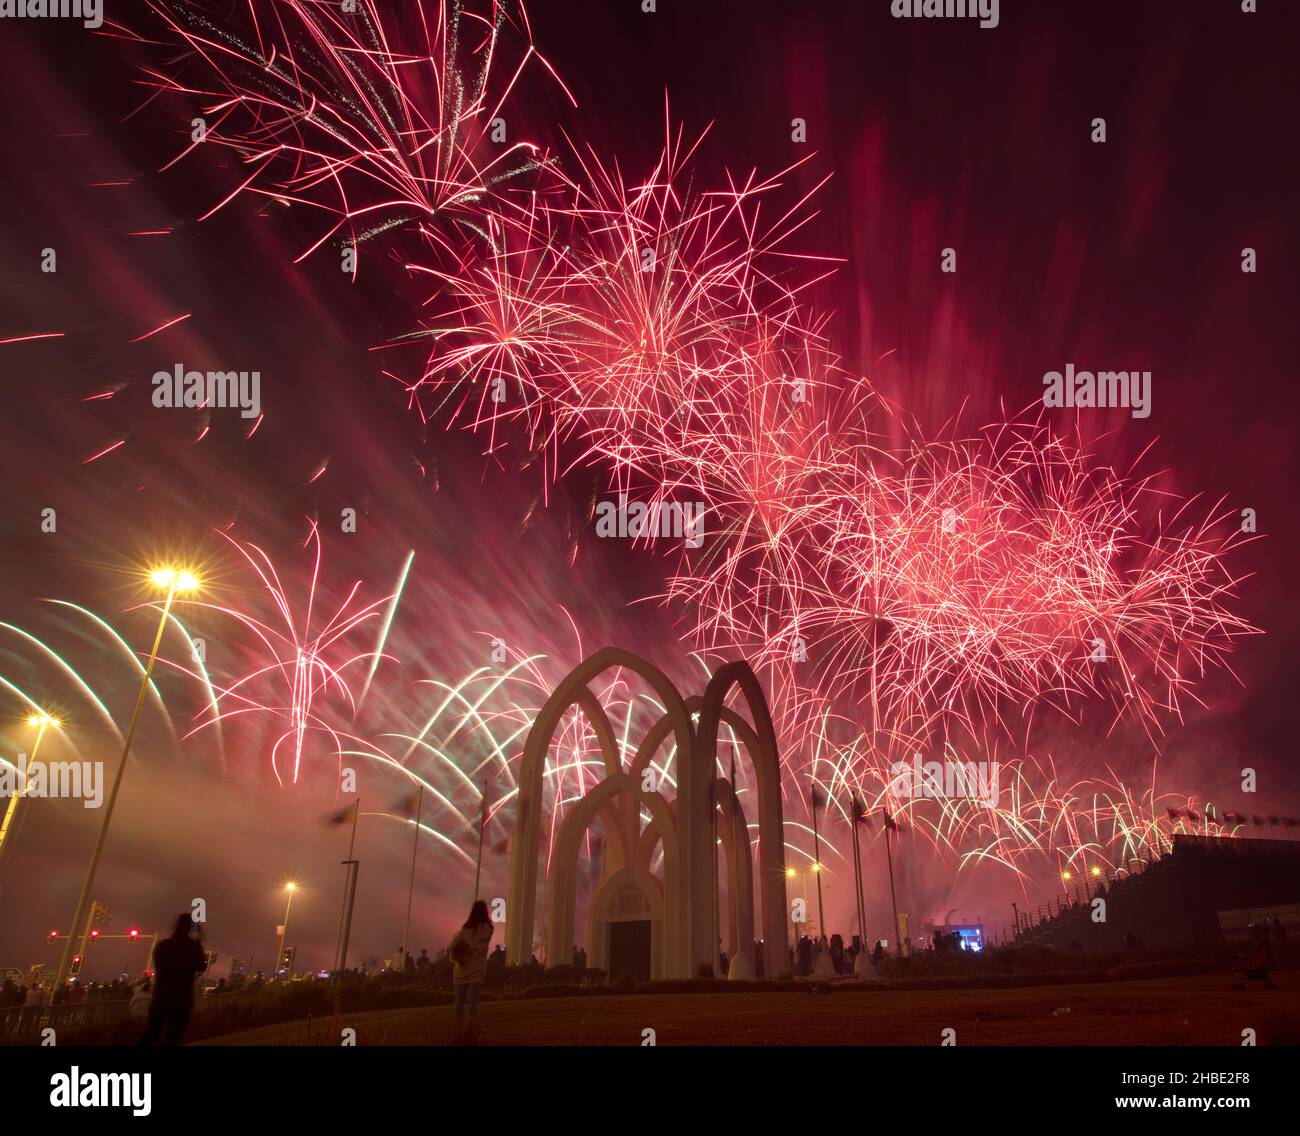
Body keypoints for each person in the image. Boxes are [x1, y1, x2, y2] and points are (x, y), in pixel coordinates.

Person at [138, 914, 208, 1046]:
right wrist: (198, 942)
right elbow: (202, 966)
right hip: (182, 1000)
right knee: (173, 1038)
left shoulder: (163, 946)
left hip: (161, 997)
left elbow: (159, 965)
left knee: (149, 1035)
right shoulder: (192, 948)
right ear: (190, 928)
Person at [448, 900, 494, 1037]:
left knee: (459, 1001)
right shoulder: (489, 930)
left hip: (462, 967)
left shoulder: (465, 930)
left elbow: (451, 946)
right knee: (473, 1001)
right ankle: (470, 1027)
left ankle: (458, 1027)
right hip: (478, 968)